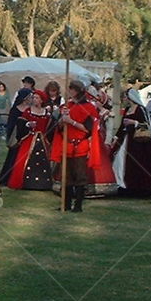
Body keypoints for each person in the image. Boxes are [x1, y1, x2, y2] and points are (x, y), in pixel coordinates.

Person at [110, 87, 151, 196]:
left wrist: (134, 122)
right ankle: (124, 185)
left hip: (139, 141)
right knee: (121, 162)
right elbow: (122, 125)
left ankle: (142, 188)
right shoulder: (127, 109)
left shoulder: (140, 109)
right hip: (126, 139)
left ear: (130, 97)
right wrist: (116, 138)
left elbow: (147, 125)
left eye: (125, 97)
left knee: (141, 163)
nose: (124, 99)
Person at [50, 80, 99, 212]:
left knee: (80, 176)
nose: (69, 91)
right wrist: (62, 119)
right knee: (66, 176)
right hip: (67, 145)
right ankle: (65, 205)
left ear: (78, 91)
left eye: (72, 89)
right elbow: (59, 127)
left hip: (80, 146)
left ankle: (78, 206)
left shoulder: (88, 108)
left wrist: (71, 121)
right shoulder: (67, 106)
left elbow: (88, 129)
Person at [0, 91, 53, 190]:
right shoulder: (28, 111)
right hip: (29, 138)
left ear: (41, 100)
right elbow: (20, 123)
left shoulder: (46, 113)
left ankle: (41, 184)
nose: (34, 100)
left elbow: (49, 127)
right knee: (22, 161)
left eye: (37, 98)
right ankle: (23, 182)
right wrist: (28, 124)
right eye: (34, 98)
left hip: (42, 141)